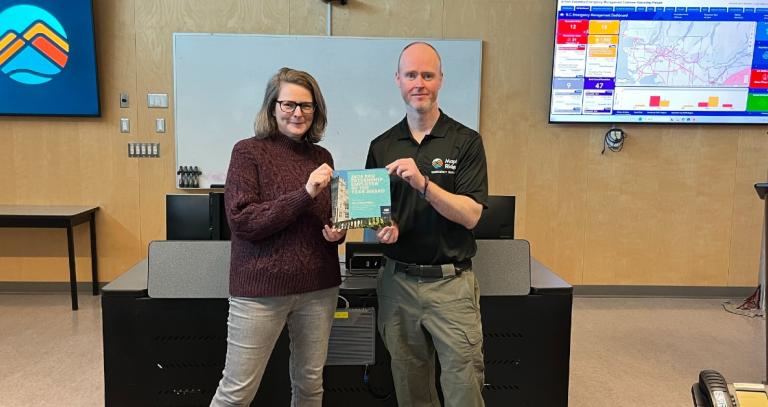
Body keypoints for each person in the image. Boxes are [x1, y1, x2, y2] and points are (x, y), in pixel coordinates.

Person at [211, 67, 346, 407]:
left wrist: (337, 232)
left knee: (310, 385)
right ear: (272, 107)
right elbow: (244, 221)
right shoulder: (247, 152)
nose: (298, 113)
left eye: (306, 105)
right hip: (260, 291)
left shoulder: (322, 157)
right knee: (236, 391)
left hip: (318, 288)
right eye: (288, 104)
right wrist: (305, 192)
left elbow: (323, 218)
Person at [365, 42, 489, 407]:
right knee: (411, 392)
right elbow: (375, 220)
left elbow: (471, 215)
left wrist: (423, 184)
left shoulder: (465, 142)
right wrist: (385, 230)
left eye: (427, 75)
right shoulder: (381, 145)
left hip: (451, 286)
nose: (419, 83)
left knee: (464, 391)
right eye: (411, 75)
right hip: (397, 284)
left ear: (440, 80)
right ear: (398, 80)